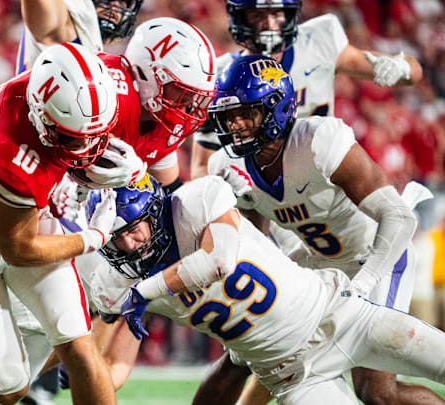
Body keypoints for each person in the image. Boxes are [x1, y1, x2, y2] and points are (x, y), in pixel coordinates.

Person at [83, 174, 445, 405]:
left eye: (134, 229)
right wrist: (79, 362)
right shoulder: (116, 282)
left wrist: (144, 293)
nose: (129, 245)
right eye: (115, 240)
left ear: (155, 211)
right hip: (292, 374)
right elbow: (105, 350)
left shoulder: (196, 203)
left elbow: (218, 260)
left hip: (342, 315)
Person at [203, 55, 441, 405]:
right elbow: (252, 248)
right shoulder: (228, 165)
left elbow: (399, 218)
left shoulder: (318, 141)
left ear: (277, 109)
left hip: (377, 256)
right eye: (229, 116)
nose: (235, 125)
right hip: (321, 265)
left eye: (245, 114)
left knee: (377, 392)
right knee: (255, 356)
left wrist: (363, 284)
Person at [0, 42, 123, 405]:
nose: (88, 148)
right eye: (75, 139)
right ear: (42, 118)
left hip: (20, 214)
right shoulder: (8, 156)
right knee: (10, 385)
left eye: (95, 133)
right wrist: (93, 237)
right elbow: (18, 249)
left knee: (79, 343)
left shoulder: (55, 93)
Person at [190, 0, 423, 179]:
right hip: (268, 197)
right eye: (257, 14)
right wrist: (225, 187)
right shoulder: (221, 77)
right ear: (240, 17)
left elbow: (413, 73)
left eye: (276, 14)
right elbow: (201, 166)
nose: (269, 24)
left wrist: (400, 68)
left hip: (327, 177)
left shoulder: (318, 40)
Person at [17, 0, 143, 74]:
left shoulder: (89, 39)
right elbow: (50, 25)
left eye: (123, 1)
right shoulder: (66, 27)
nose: (114, 6)